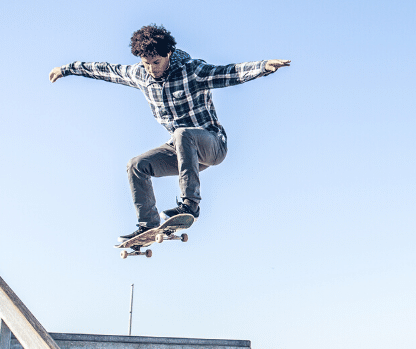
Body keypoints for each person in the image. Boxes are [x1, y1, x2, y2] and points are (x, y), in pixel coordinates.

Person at [49, 24, 290, 240]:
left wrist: (263, 67)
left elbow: (229, 72)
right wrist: (67, 69)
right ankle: (147, 224)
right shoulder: (140, 75)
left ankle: (191, 205)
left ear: (168, 55)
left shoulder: (192, 71)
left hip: (212, 145)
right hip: (182, 152)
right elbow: (105, 70)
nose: (152, 69)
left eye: (156, 63)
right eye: (146, 63)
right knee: (136, 165)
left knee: (182, 133)